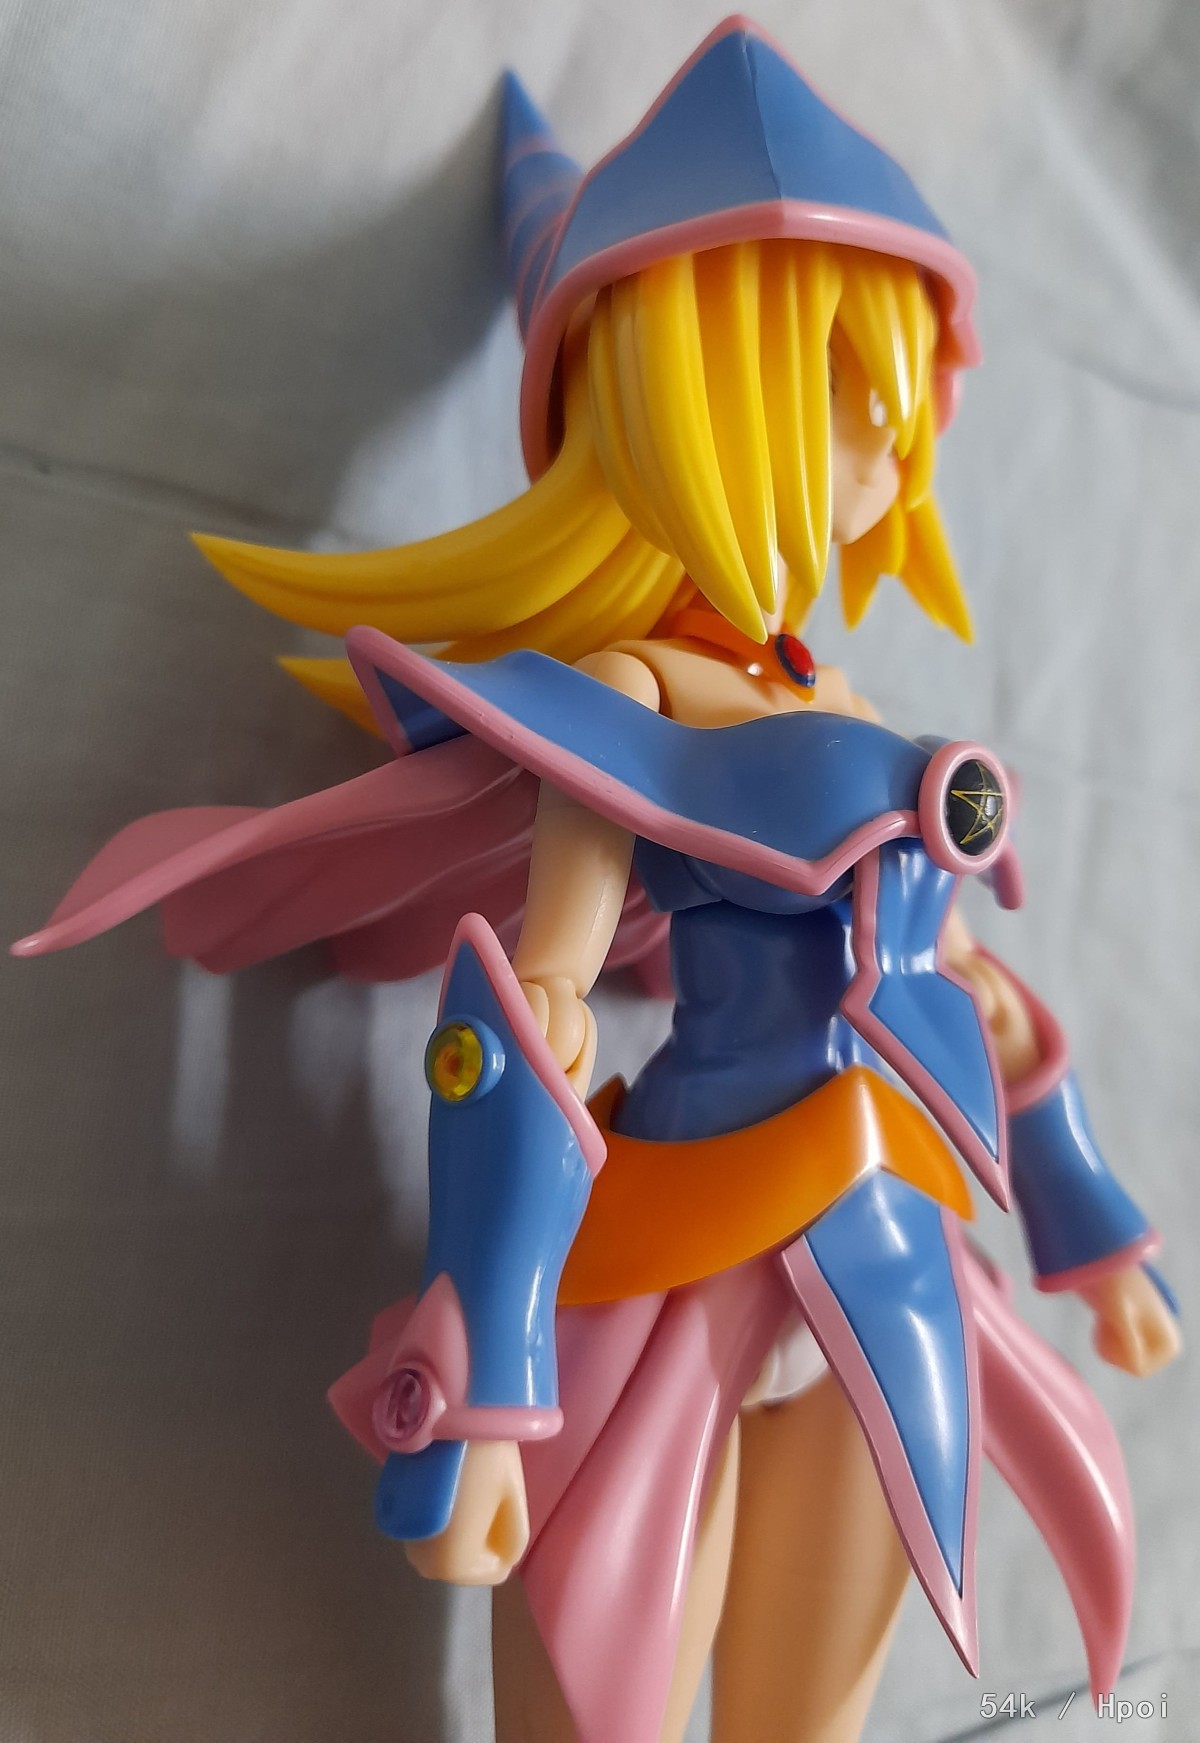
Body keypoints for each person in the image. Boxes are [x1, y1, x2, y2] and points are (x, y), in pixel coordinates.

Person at [14, 19, 1180, 1743]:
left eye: (896, 398)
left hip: (891, 1259)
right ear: (700, 398)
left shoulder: (869, 720)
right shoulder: (629, 703)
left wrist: (1091, 1234)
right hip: (688, 1245)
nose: (889, 444)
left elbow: (973, 1007)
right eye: (842, 380)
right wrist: (482, 1388)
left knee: (813, 1713)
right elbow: (523, 1031)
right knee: (601, 1685)